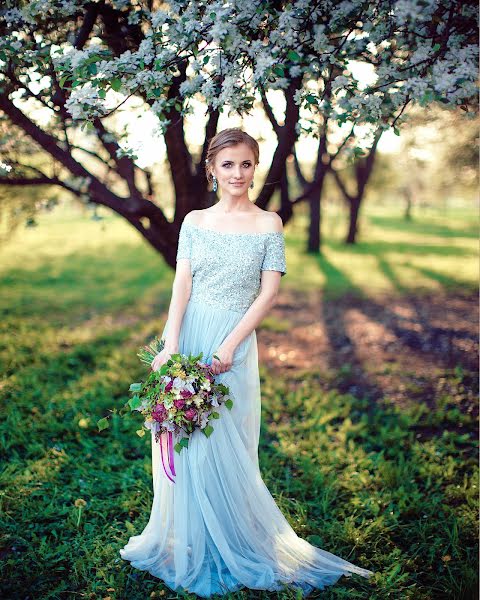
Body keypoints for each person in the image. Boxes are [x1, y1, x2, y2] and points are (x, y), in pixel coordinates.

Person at [119, 128, 374, 596]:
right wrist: (169, 343)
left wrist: (231, 344)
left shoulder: (268, 223)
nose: (238, 173)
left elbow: (269, 292)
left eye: (247, 164)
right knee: (184, 438)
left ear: (256, 168)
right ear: (212, 170)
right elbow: (182, 286)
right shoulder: (194, 221)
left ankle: (232, 538)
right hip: (190, 333)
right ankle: (190, 536)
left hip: (232, 342)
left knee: (226, 437)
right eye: (228, 164)